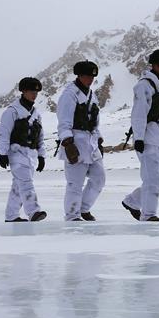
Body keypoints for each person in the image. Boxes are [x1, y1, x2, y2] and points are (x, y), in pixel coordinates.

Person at [122, 49, 159, 222]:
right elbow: (138, 114)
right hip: (147, 137)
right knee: (152, 178)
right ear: (155, 65)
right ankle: (148, 214)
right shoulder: (144, 85)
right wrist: (139, 138)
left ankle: (133, 201)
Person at [56, 61, 106, 221]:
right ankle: (72, 215)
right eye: (87, 76)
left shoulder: (92, 96)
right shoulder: (69, 94)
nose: (90, 79)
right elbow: (63, 122)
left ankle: (83, 209)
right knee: (74, 183)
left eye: (92, 76)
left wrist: (98, 141)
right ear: (79, 76)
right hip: (75, 142)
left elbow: (95, 123)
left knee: (99, 178)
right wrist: (67, 143)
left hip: (91, 143)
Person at [0, 77, 48, 222]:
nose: (34, 94)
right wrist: (3, 154)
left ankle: (11, 215)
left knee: (18, 187)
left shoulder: (36, 114)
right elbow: (4, 134)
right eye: (31, 91)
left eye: (36, 91)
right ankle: (33, 211)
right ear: (23, 91)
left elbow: (40, 137)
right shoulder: (12, 111)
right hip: (16, 154)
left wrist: (41, 156)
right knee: (26, 184)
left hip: (31, 155)